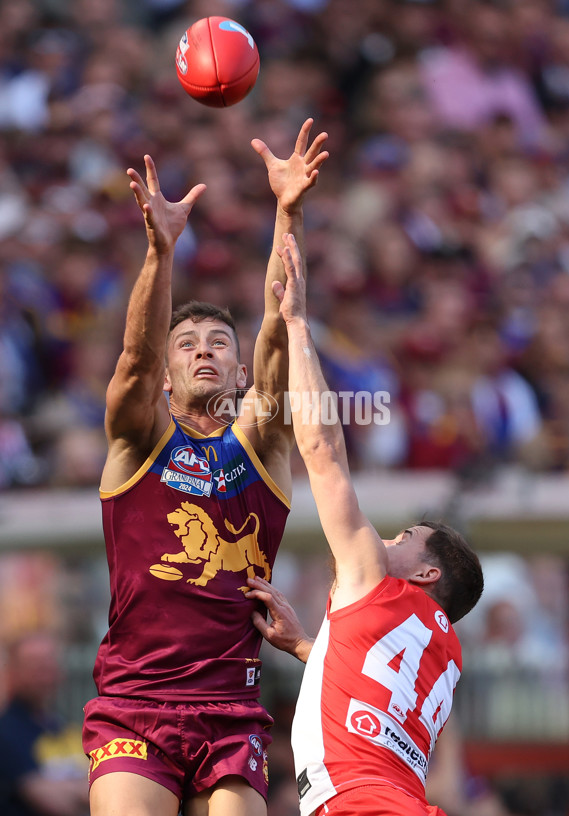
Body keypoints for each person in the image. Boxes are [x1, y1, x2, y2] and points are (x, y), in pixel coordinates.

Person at [81, 120, 329, 816]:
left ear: (240, 370)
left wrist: (289, 210)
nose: (203, 352)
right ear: (167, 376)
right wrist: (160, 253)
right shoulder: (136, 442)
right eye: (186, 344)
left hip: (232, 708)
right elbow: (132, 361)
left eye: (219, 342)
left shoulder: (262, 443)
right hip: (136, 704)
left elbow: (278, 324)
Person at [245, 232, 484, 816]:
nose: (387, 537)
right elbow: (377, 699)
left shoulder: (377, 581)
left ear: (426, 574)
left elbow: (324, 451)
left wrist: (298, 325)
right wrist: (308, 646)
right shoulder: (445, 653)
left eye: (405, 539)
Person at [0, 631, 90, 816]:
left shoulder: (63, 727)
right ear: (13, 672)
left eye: (49, 663)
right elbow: (56, 804)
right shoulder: (6, 732)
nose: (45, 675)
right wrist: (85, 791)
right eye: (35, 666)